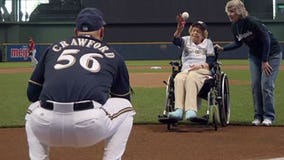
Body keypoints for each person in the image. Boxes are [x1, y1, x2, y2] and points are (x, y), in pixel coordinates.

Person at [25, 7, 135, 160]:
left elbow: (32, 94)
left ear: (75, 31)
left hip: (45, 126)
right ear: (102, 32)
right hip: (89, 128)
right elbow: (122, 99)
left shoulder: (53, 48)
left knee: (32, 110)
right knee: (126, 108)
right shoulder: (113, 55)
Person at [214, 0, 282, 126]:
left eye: (232, 11)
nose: (230, 14)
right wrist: (224, 48)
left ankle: (269, 116)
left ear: (240, 11)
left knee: (266, 85)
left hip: (272, 54)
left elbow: (266, 39)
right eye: (228, 11)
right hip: (255, 56)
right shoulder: (235, 26)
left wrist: (265, 60)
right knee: (256, 86)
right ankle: (258, 116)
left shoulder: (252, 22)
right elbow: (238, 42)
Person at [168, 14, 215, 121]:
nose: (195, 33)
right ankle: (179, 110)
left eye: (198, 31)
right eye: (194, 30)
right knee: (179, 78)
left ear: (204, 34)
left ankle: (191, 110)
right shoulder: (186, 40)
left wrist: (201, 65)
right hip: (186, 70)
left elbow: (211, 61)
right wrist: (179, 29)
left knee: (192, 77)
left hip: (201, 71)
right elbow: (175, 41)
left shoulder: (208, 43)